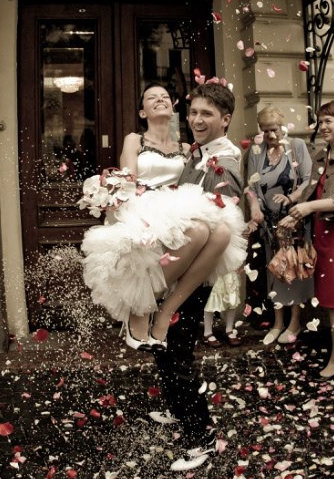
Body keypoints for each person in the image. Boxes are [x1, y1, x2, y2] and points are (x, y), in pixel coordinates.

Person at [80, 83, 246, 350]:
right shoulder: (135, 140)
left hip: (178, 211)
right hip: (145, 208)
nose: (159, 99)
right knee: (201, 230)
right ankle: (143, 308)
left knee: (218, 231)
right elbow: (128, 180)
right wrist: (109, 191)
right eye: (151, 97)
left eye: (165, 96)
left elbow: (205, 178)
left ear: (173, 108)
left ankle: (163, 310)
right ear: (142, 112)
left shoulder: (188, 148)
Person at [154, 81, 247, 471]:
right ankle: (177, 408)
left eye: (206, 113)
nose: (196, 119)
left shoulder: (224, 162)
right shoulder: (198, 152)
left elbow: (217, 226)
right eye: (193, 112)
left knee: (178, 350)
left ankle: (201, 436)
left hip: (197, 271)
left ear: (225, 119)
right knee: (165, 344)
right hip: (181, 259)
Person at [279, 100, 334, 379]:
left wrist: (308, 208)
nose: (323, 126)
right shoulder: (322, 154)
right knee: (329, 295)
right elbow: (311, 190)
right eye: (320, 122)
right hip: (324, 230)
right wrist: (295, 213)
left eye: (329, 121)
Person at [248, 106, 314, 346]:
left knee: (293, 269)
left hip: (293, 219)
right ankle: (277, 322)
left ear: (283, 127)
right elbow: (251, 187)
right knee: (274, 271)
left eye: (274, 129)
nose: (271, 135)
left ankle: (295, 321)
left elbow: (308, 180)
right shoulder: (256, 151)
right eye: (265, 131)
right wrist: (255, 208)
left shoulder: (296, 146)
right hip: (269, 222)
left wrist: (291, 198)